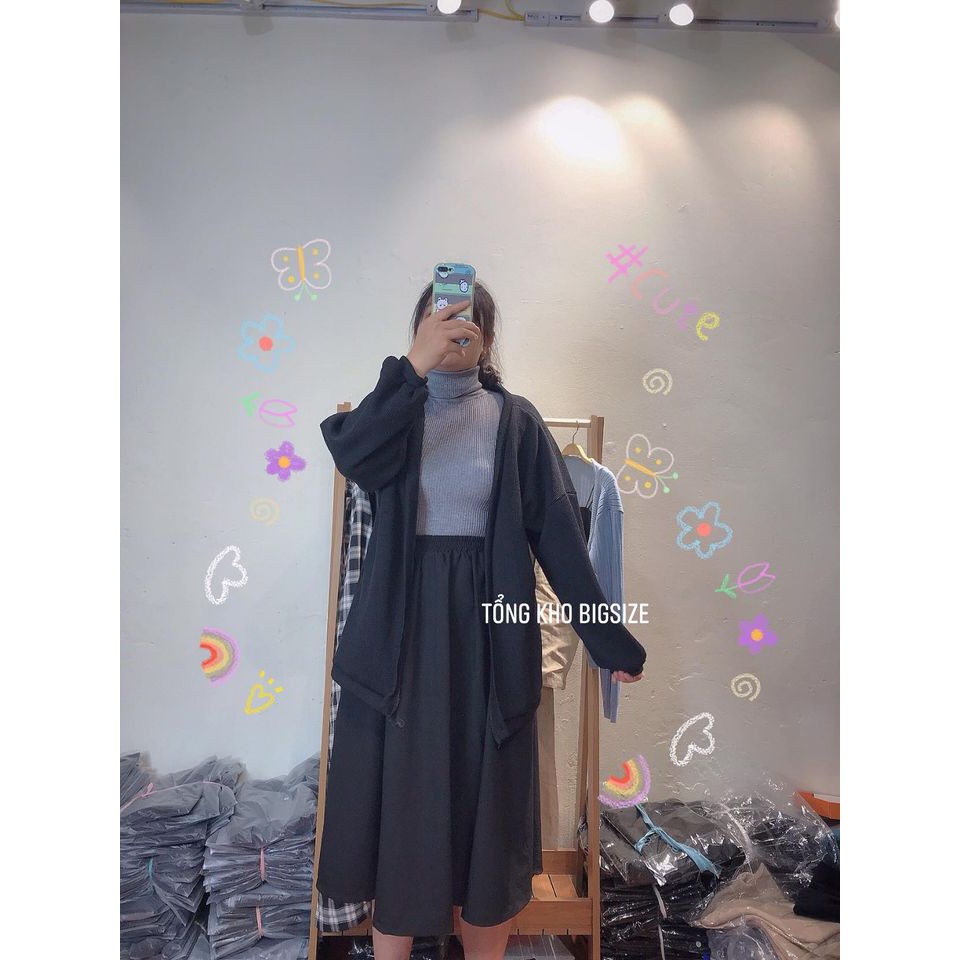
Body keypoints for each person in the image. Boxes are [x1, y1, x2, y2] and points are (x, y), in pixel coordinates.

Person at [316, 280, 647, 959]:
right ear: (419, 329)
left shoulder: (516, 422)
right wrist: (412, 367)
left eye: (468, 320)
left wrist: (610, 642)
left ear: (488, 339)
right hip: (402, 646)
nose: (454, 328)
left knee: (489, 830)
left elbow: (560, 541)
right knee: (402, 820)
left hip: (491, 643)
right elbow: (351, 456)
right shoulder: (391, 415)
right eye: (439, 318)